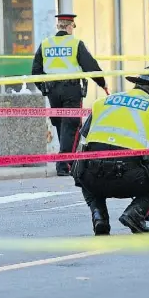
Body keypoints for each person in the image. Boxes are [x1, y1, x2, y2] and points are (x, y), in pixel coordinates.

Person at [72, 65, 149, 235]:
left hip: (93, 176)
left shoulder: (103, 102)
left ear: (137, 84)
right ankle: (136, 213)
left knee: (80, 166)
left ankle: (98, 214)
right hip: (129, 178)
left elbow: (82, 139)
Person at [32, 13, 108, 176]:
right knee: (71, 126)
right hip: (71, 90)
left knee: (61, 125)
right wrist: (103, 84)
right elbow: (91, 66)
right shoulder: (75, 43)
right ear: (68, 26)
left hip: (52, 90)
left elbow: (35, 71)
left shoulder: (45, 44)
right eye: (72, 27)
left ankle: (69, 160)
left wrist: (44, 88)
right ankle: (64, 163)